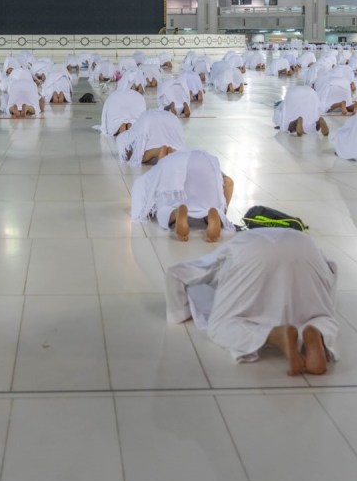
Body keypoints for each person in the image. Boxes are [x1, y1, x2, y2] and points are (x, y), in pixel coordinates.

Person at [165, 226, 338, 376]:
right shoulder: (302, 241)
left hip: (252, 254)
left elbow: (176, 273)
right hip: (306, 247)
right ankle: (318, 333)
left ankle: (275, 335)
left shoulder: (233, 247)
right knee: (322, 316)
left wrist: (180, 313)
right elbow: (331, 270)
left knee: (218, 326)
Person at [131, 149, 234, 242]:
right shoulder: (199, 155)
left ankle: (175, 213)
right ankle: (216, 214)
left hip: (175, 178)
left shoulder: (164, 165)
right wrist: (224, 209)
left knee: (163, 209)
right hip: (205, 164)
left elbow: (142, 195)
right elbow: (229, 183)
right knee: (209, 204)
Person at [116, 109, 185, 166]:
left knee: (140, 156)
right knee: (174, 144)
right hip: (172, 119)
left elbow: (135, 153)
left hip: (152, 120)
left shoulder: (124, 139)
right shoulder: (133, 130)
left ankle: (157, 151)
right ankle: (173, 150)